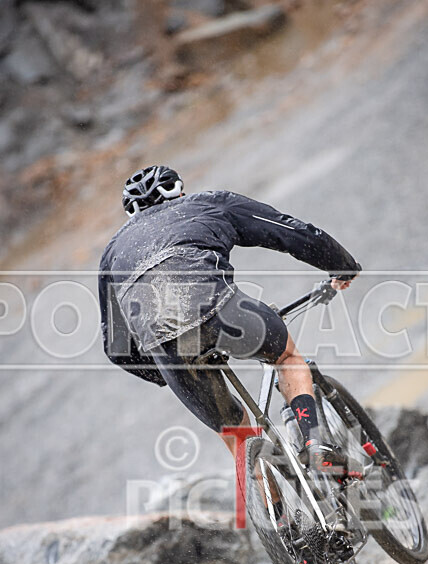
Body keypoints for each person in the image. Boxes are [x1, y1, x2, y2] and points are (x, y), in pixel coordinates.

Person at [98, 164, 361, 472]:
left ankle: (277, 517)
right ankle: (315, 445)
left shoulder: (113, 252)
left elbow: (117, 346)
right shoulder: (208, 203)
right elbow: (288, 231)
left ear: (133, 213)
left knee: (238, 435)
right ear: (179, 191)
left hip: (168, 351)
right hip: (219, 310)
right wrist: (341, 265)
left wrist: (166, 372)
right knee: (287, 358)